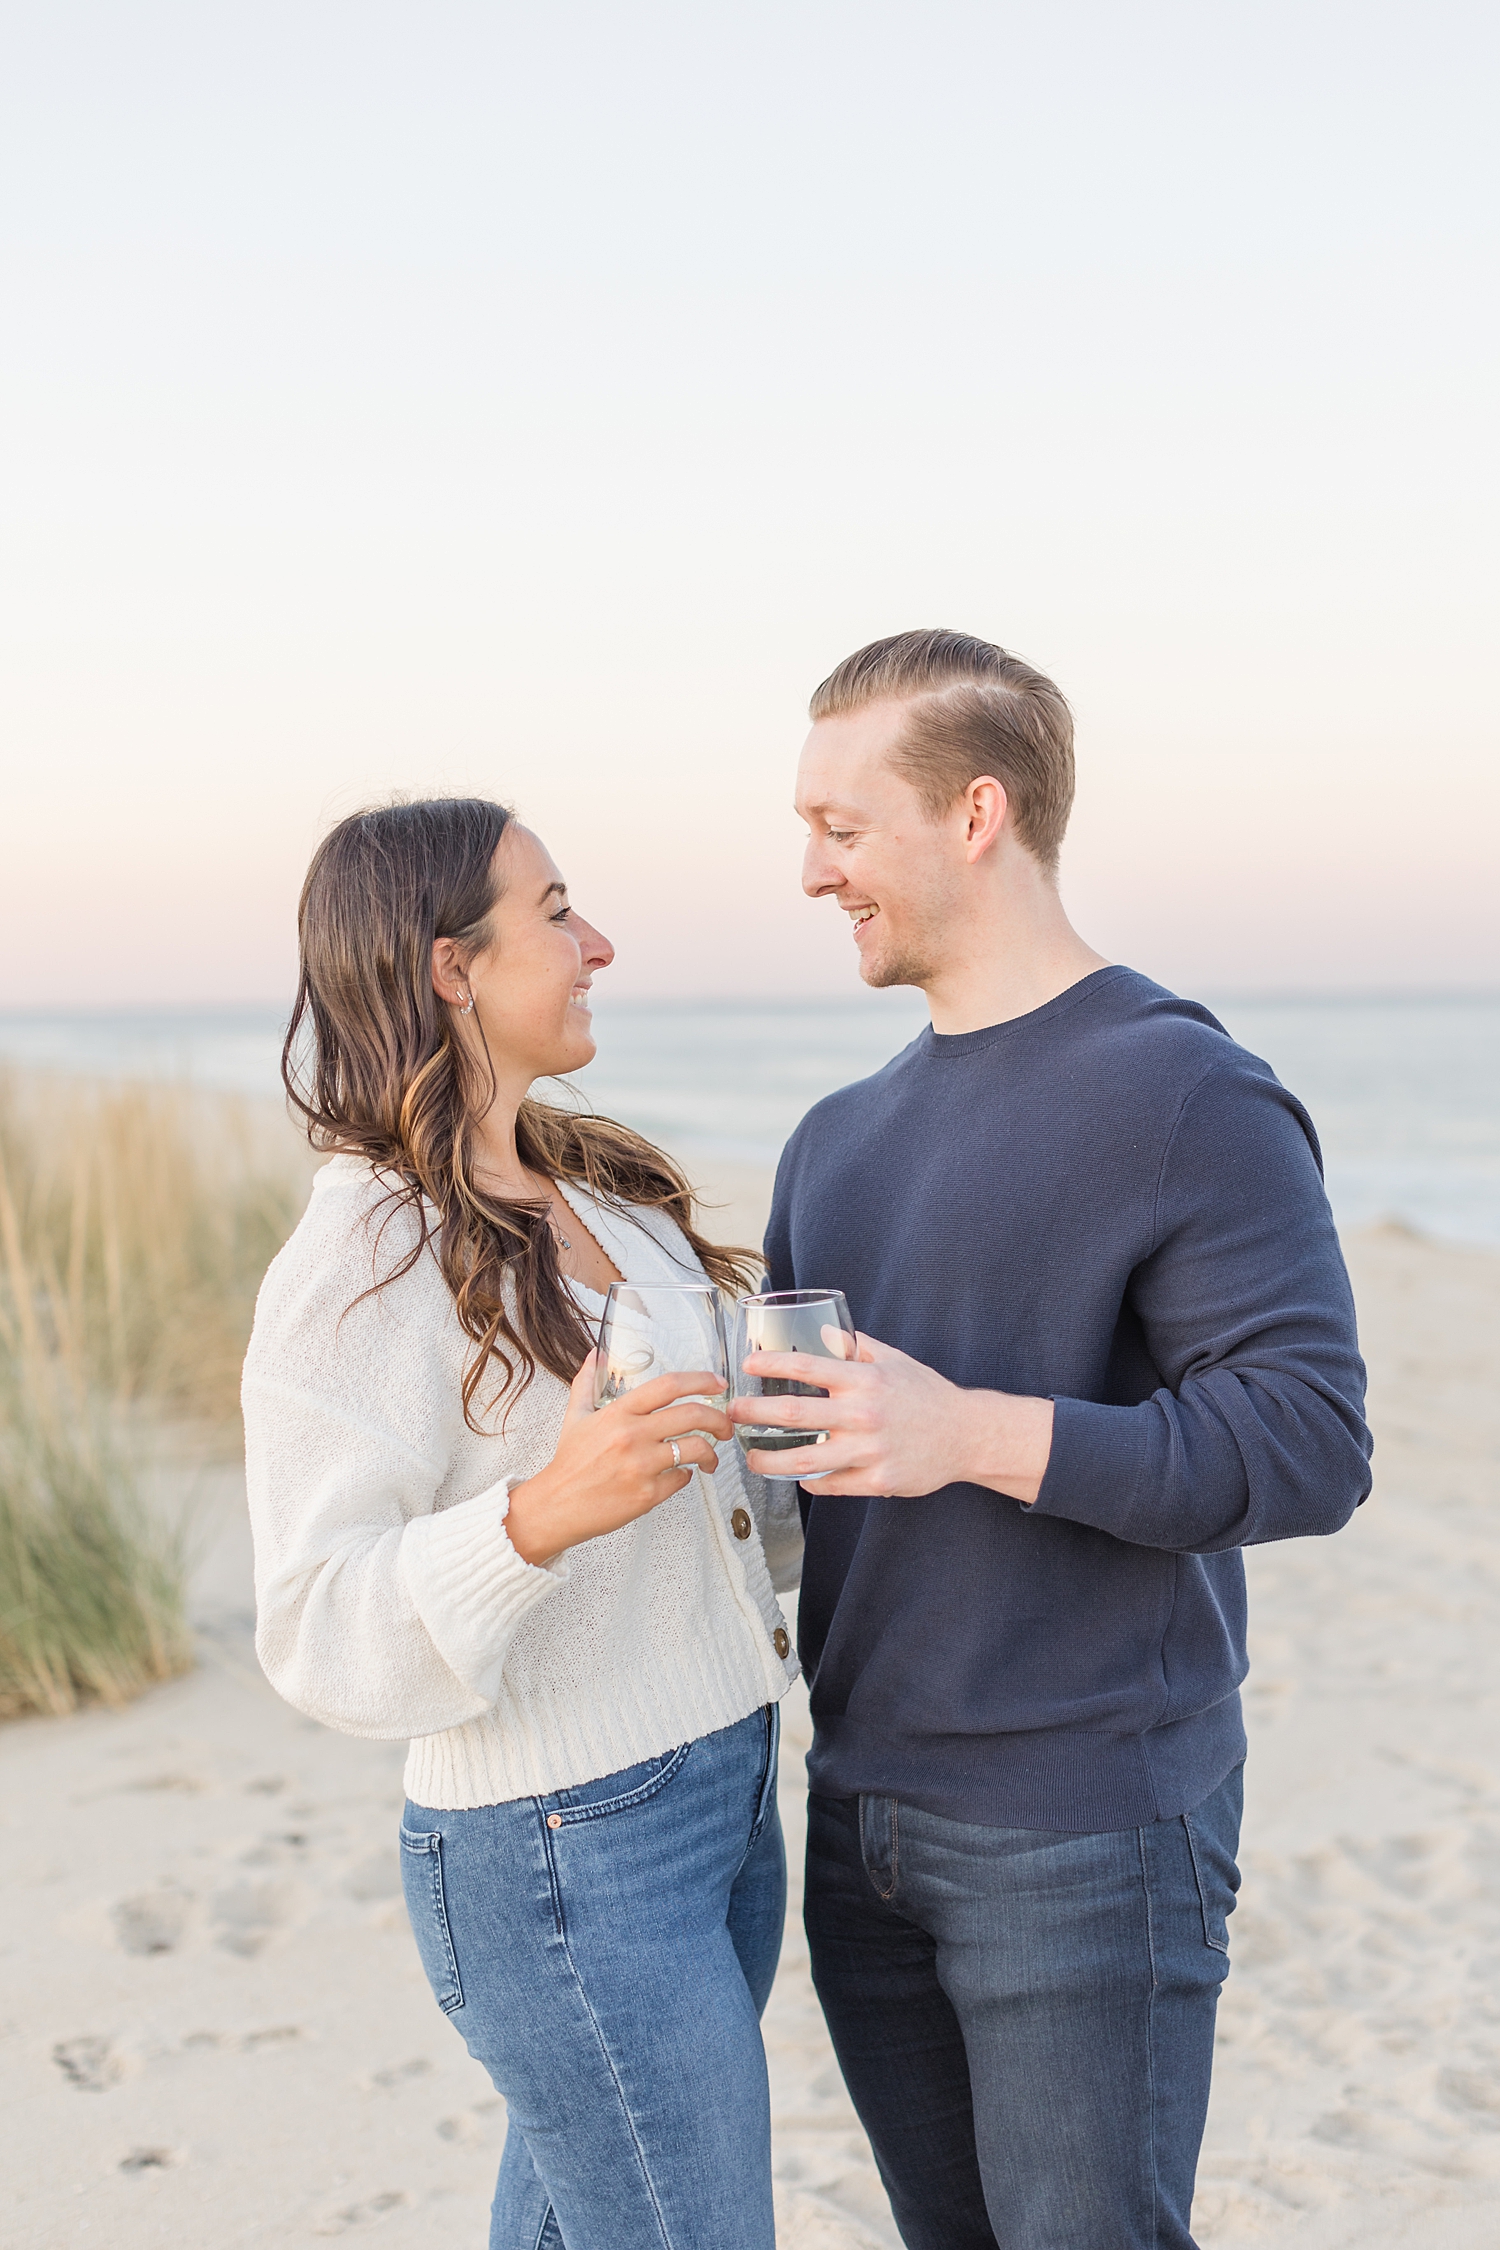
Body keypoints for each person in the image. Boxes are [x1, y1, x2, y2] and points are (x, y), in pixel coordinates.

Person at [727, 631, 1373, 2250]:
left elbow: (1308, 1442)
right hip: (859, 1815)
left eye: (842, 825)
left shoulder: (1184, 1090)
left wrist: (969, 1431)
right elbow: (809, 1495)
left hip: (1086, 1824)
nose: (811, 870)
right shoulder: (837, 1137)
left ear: (978, 814)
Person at [242, 797, 801, 2250]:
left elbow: (720, 1507)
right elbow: (313, 1626)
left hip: (727, 1797)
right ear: (450, 968)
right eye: (555, 910)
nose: (595, 941)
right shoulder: (360, 1255)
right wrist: (541, 1514)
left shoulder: (607, 1197)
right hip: (563, 1850)